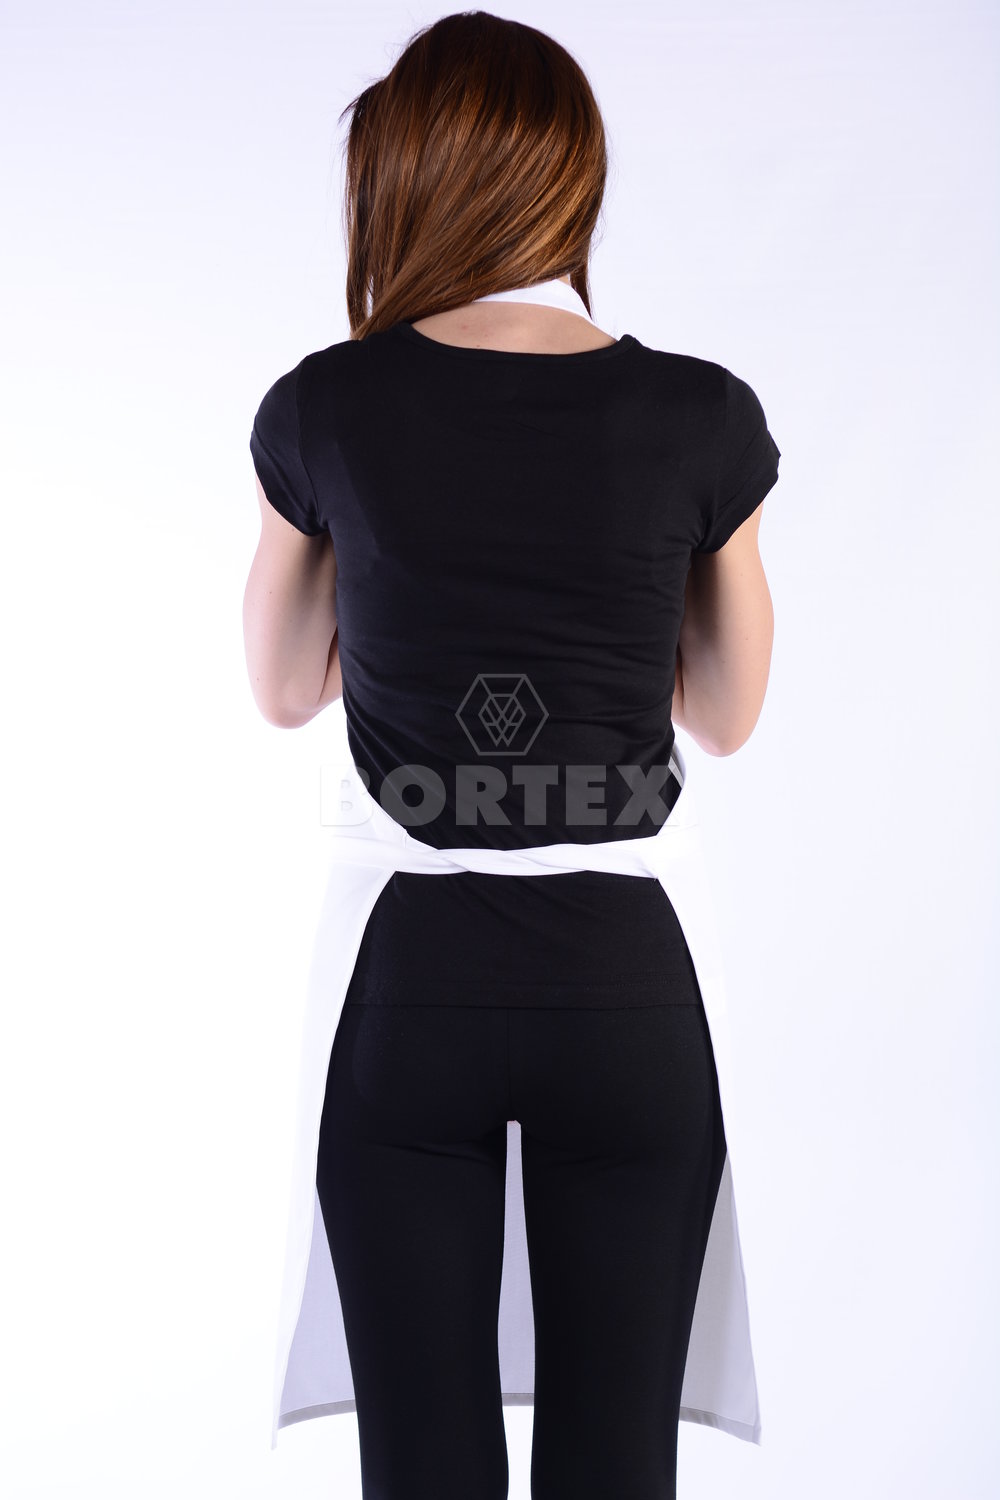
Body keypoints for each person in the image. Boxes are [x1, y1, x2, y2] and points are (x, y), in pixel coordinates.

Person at [243, 11, 780, 1500]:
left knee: (424, 1463)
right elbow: (727, 711)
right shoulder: (700, 414)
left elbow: (282, 688)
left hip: (411, 978)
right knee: (617, 1464)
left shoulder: (327, 406)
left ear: (399, 181)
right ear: (570, 179)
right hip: (628, 983)